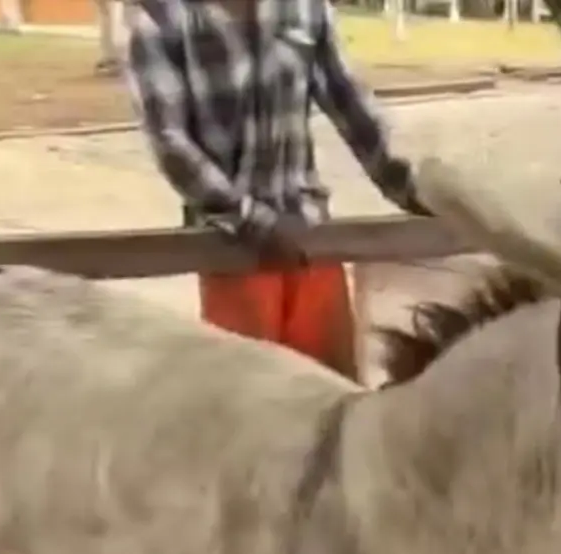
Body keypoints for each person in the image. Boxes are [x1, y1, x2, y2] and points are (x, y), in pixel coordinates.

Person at [125, 0, 427, 380]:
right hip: (230, 248)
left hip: (310, 240)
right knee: (250, 406)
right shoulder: (160, 18)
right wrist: (254, 221)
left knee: (333, 396)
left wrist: (415, 187)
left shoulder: (303, 8)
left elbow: (349, 101)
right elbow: (170, 142)